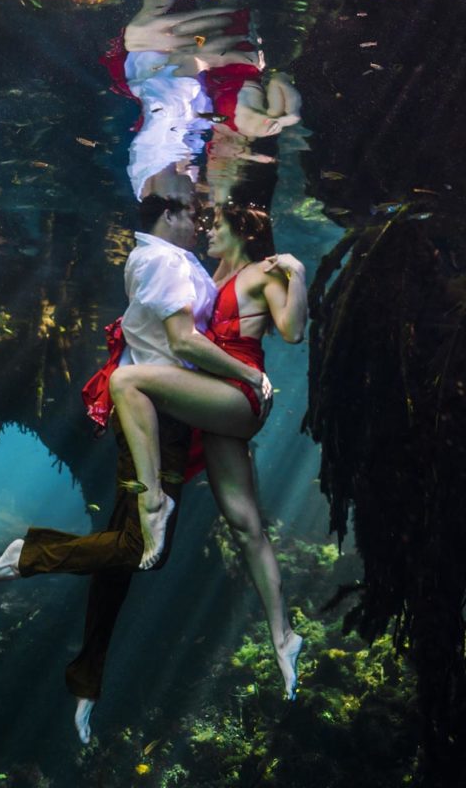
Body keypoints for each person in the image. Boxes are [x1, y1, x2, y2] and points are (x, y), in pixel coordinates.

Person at [0, 194, 272, 745]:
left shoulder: (182, 263)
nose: (196, 223)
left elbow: (211, 307)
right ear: (166, 217)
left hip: (168, 422)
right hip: (147, 425)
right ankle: (29, 554)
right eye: (188, 215)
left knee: (123, 552)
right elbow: (182, 342)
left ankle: (87, 681)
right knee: (137, 551)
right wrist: (250, 378)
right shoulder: (159, 259)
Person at [109, 201, 307, 699]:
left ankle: (152, 500)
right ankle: (283, 639)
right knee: (245, 526)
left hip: (241, 395)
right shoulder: (215, 274)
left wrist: (298, 273)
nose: (206, 230)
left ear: (240, 228)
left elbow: (293, 331)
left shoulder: (265, 272)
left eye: (215, 224)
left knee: (127, 381)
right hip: (219, 401)